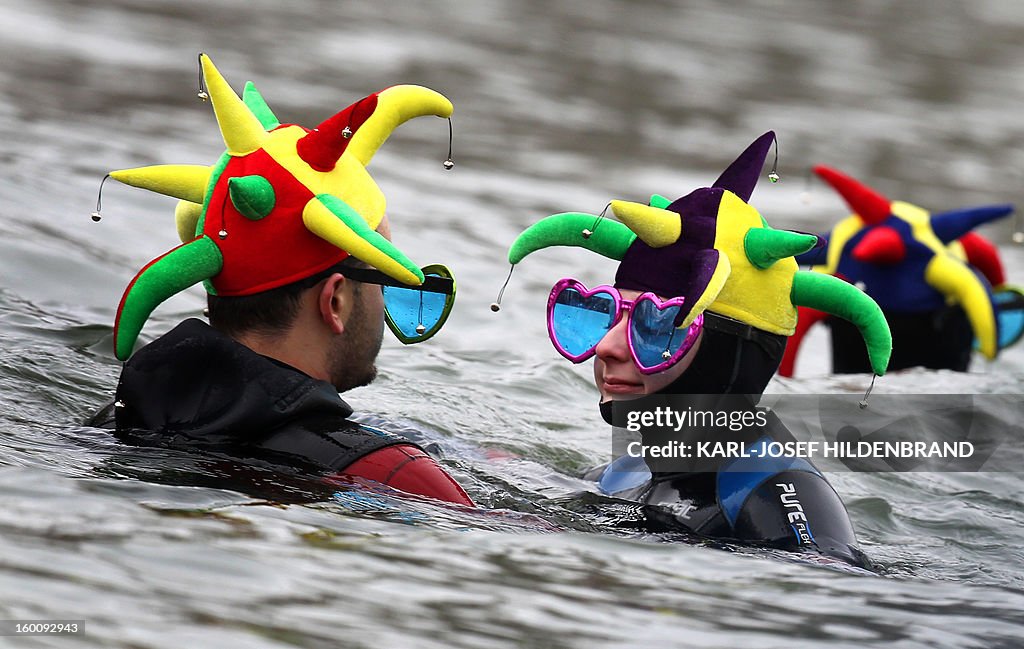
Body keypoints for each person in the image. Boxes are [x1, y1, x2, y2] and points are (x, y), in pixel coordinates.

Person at [87, 54, 473, 507]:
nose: (384, 302)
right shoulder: (394, 475)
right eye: (381, 281)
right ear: (335, 302)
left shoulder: (120, 417)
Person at [503, 132, 893, 567]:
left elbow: (840, 596)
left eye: (657, 325)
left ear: (729, 354)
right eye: (610, 314)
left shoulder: (778, 494)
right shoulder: (631, 468)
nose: (608, 347)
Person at [780, 165, 1021, 376]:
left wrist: (784, 377)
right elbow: (985, 263)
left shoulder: (842, 255)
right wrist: (992, 347)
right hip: (941, 335)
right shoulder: (955, 256)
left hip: (852, 335)